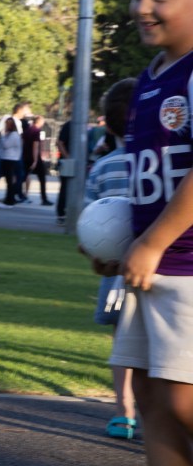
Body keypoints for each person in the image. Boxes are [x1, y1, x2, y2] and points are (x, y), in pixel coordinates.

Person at [91, 0, 193, 466]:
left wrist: (154, 242)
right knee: (154, 404)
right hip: (151, 271)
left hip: (188, 269)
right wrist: (125, 244)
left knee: (183, 400)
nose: (142, 7)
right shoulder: (150, 80)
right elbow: (148, 180)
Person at [84, 78, 138, 439]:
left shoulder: (102, 167)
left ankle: (124, 412)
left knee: (122, 343)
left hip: (115, 270)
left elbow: (89, 222)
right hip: (160, 266)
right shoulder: (158, 161)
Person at [0, 116, 22, 206]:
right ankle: (9, 198)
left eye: (8, 124)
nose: (6, 126)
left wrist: (2, 136)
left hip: (10, 159)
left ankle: (10, 199)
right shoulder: (9, 134)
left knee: (10, 180)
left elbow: (5, 145)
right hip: (7, 158)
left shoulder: (13, 135)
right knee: (9, 180)